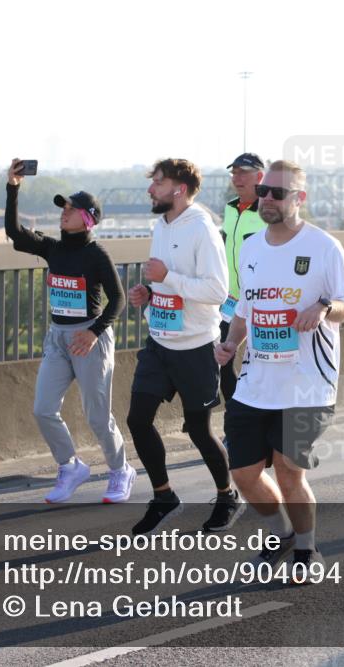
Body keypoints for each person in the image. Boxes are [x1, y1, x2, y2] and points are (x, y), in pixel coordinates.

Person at [214, 160, 344, 583]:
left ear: (300, 198)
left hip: (306, 384)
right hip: (256, 382)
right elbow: (246, 308)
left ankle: (306, 548)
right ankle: (280, 534)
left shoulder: (324, 247)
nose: (268, 199)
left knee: (287, 469)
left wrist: (325, 307)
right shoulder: (252, 247)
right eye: (264, 192)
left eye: (279, 193)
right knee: (242, 473)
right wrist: (230, 343)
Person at [4, 158, 134, 504]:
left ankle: (120, 470)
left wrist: (93, 333)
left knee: (97, 416)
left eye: (72, 209)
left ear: (88, 219)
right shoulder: (53, 247)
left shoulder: (96, 254)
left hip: (89, 339)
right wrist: (13, 187)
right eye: (64, 207)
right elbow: (15, 234)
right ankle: (70, 466)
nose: (65, 212)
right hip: (58, 338)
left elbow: (118, 299)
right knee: (43, 409)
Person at [126, 158, 242, 534]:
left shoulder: (202, 230)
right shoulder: (162, 224)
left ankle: (227, 495)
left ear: (178, 189)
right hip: (159, 340)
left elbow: (215, 291)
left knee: (197, 430)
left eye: (157, 183)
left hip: (195, 347)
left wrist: (167, 277)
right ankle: (164, 497)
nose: (150, 189)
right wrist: (149, 291)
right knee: (137, 420)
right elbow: (167, 283)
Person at [219, 153, 267, 401]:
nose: (237, 178)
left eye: (243, 173)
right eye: (234, 172)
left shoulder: (269, 212)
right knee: (222, 361)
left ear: (260, 176)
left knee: (259, 368)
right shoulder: (230, 208)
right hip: (230, 301)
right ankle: (235, 423)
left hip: (262, 303)